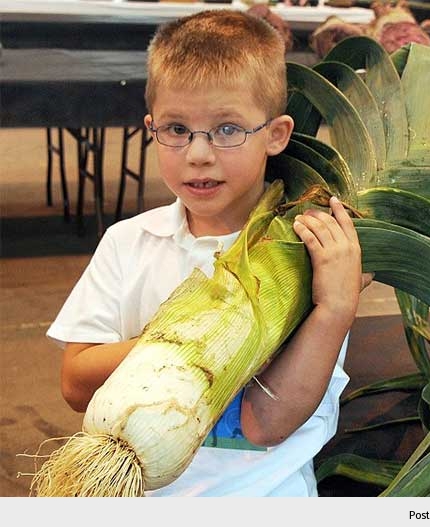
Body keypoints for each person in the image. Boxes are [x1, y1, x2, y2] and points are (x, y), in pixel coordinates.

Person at [46, 9, 370, 497]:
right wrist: (188, 345)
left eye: (227, 129)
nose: (198, 153)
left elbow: (267, 424)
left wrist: (335, 309)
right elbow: (75, 383)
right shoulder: (129, 242)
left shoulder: (310, 256)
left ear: (277, 135)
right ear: (151, 128)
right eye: (177, 129)